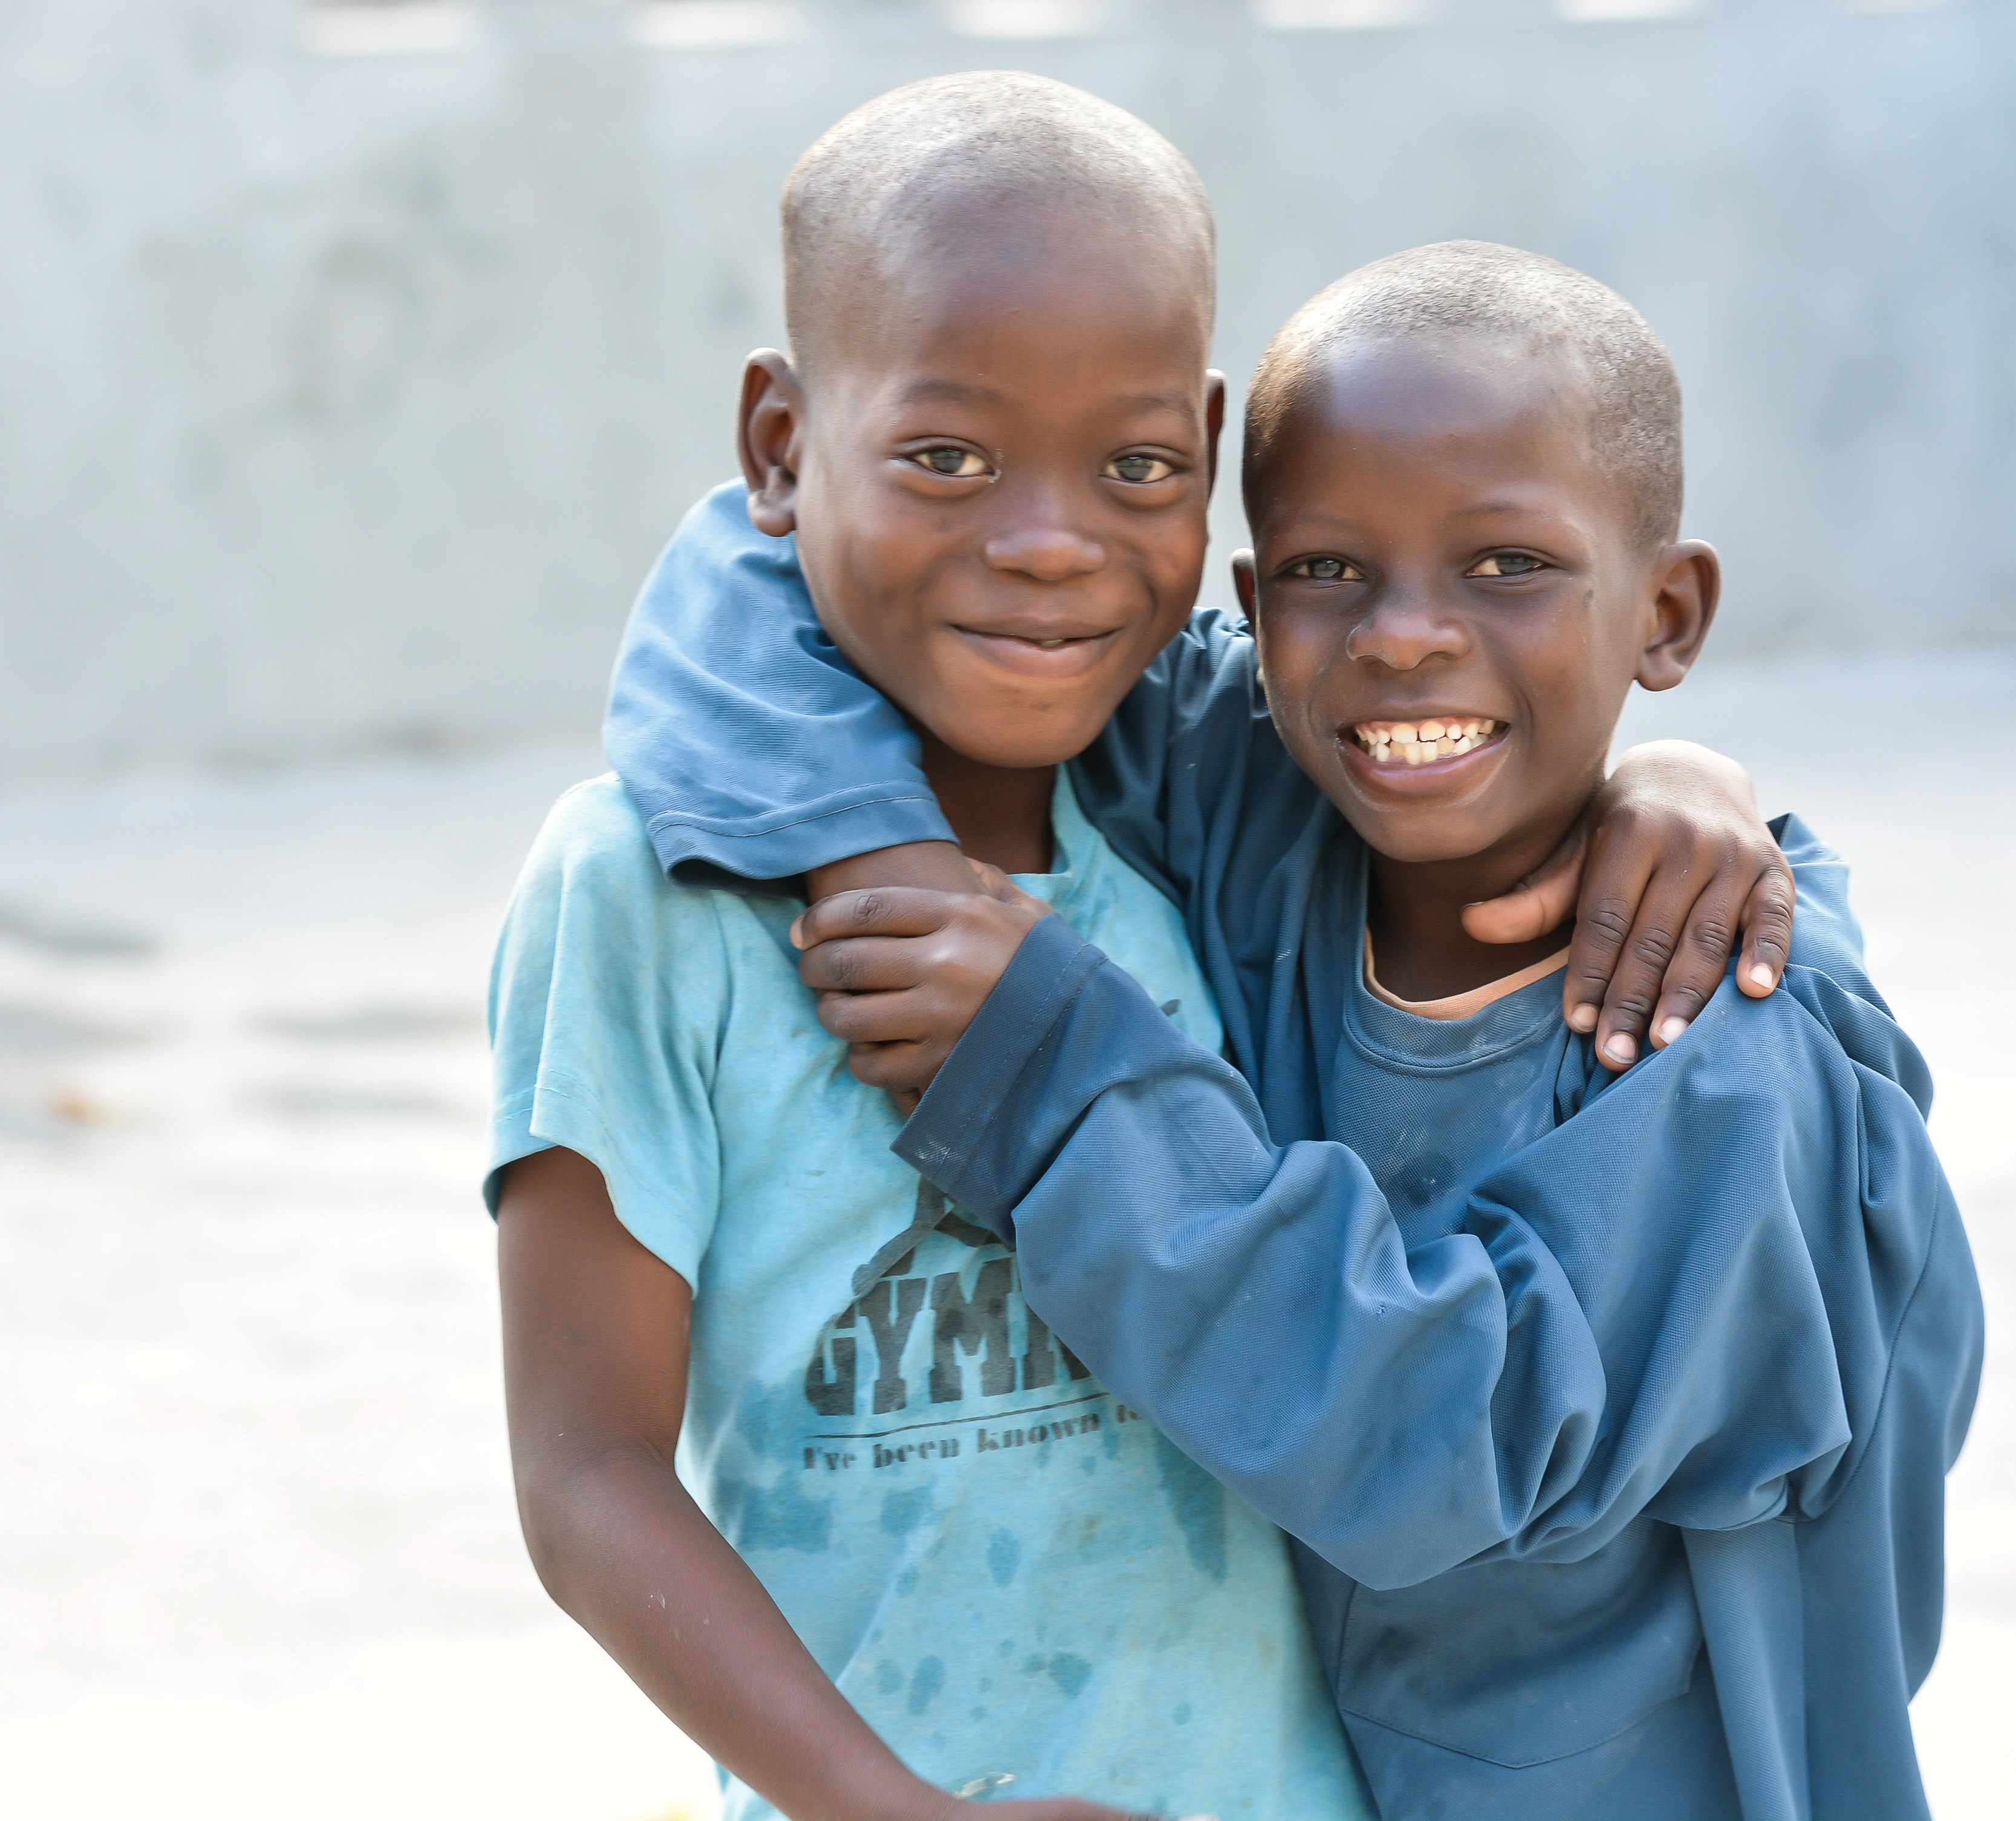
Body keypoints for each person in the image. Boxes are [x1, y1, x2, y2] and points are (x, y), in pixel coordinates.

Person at [497, 75, 1806, 1821]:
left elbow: (1480, 719)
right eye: (947, 457)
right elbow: (584, 1475)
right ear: (776, 445)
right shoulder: (642, 894)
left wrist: (1674, 781)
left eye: (1134, 468)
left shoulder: (1219, 826)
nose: (1048, 543)